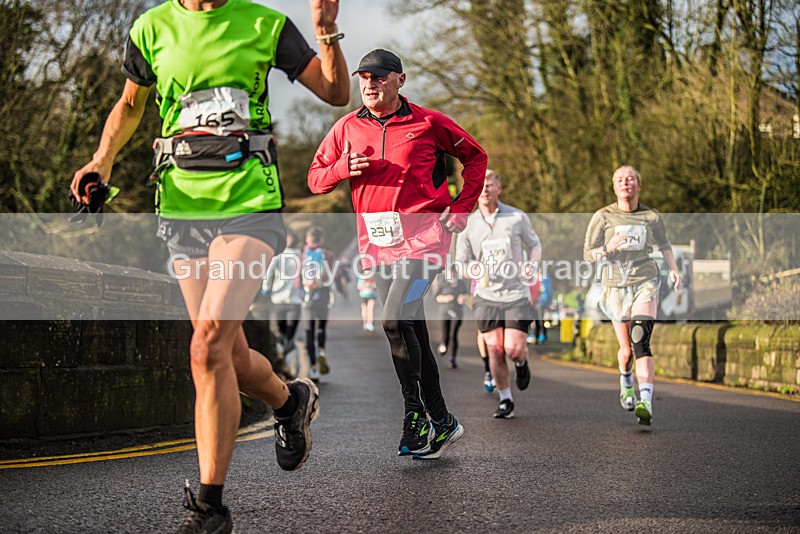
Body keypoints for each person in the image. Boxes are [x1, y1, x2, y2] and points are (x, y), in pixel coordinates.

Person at [70, 1, 350, 532]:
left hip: (249, 204)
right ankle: (291, 401)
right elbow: (131, 105)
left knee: (207, 345)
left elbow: (336, 93)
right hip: (181, 209)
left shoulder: (265, 24)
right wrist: (101, 159)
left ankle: (210, 508)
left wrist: (327, 32)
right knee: (230, 357)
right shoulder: (151, 29)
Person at [308, 49, 487, 459]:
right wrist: (340, 170)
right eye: (363, 78)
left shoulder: (429, 123)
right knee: (412, 331)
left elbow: (476, 157)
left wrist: (460, 208)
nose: (369, 84)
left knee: (392, 319)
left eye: (378, 77)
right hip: (379, 247)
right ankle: (443, 422)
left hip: (426, 243)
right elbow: (315, 178)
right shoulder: (347, 128)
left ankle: (414, 414)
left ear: (399, 80)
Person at [583, 165, 681, 426]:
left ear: (639, 185)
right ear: (614, 187)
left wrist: (674, 270)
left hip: (645, 280)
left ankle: (645, 401)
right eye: (619, 180)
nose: (625, 183)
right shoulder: (603, 216)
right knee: (626, 351)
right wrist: (607, 247)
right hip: (615, 285)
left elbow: (664, 244)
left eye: (630, 179)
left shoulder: (651, 216)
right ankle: (626, 381)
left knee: (640, 340)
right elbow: (588, 253)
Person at [456, 169, 542, 419]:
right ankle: (506, 399)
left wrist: (533, 265)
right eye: (480, 184)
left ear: (499, 188)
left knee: (513, 349)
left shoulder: (516, 217)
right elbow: (460, 262)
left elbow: (534, 244)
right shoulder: (468, 224)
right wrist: (471, 269)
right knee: (494, 349)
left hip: (516, 293)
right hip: (486, 295)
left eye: (489, 184)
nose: (484, 188)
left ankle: (521, 362)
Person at [263, 232, 304, 378]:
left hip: (277, 300)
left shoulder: (277, 255)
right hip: (295, 303)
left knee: (280, 334)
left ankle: (281, 360)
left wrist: (265, 289)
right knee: (289, 336)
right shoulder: (301, 256)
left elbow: (268, 273)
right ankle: (288, 365)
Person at [301, 226, 337, 381]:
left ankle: (314, 368)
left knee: (309, 332)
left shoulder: (302, 255)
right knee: (321, 328)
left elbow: (296, 278)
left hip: (307, 298)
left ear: (307, 239)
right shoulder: (328, 255)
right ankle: (321, 352)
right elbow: (332, 277)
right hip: (323, 296)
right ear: (321, 240)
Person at [433, 266, 470, 368]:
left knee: (453, 335)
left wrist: (463, 297)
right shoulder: (442, 282)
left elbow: (467, 294)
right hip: (445, 312)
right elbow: (436, 297)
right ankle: (443, 344)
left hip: (457, 312)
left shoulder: (461, 282)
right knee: (445, 336)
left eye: (453, 272)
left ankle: (452, 358)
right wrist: (444, 298)